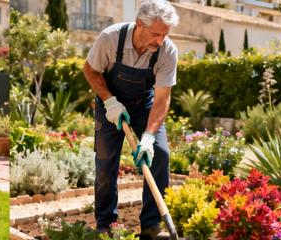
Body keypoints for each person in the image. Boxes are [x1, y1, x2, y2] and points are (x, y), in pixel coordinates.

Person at [82, 0, 179, 238]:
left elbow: (162, 99)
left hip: (144, 105)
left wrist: (147, 136)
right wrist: (109, 101)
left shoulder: (167, 51)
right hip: (110, 104)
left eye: (164, 34)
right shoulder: (110, 38)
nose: (160, 40)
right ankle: (106, 224)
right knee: (106, 163)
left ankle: (151, 226)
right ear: (139, 25)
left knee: (160, 154)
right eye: (156, 34)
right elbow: (90, 70)